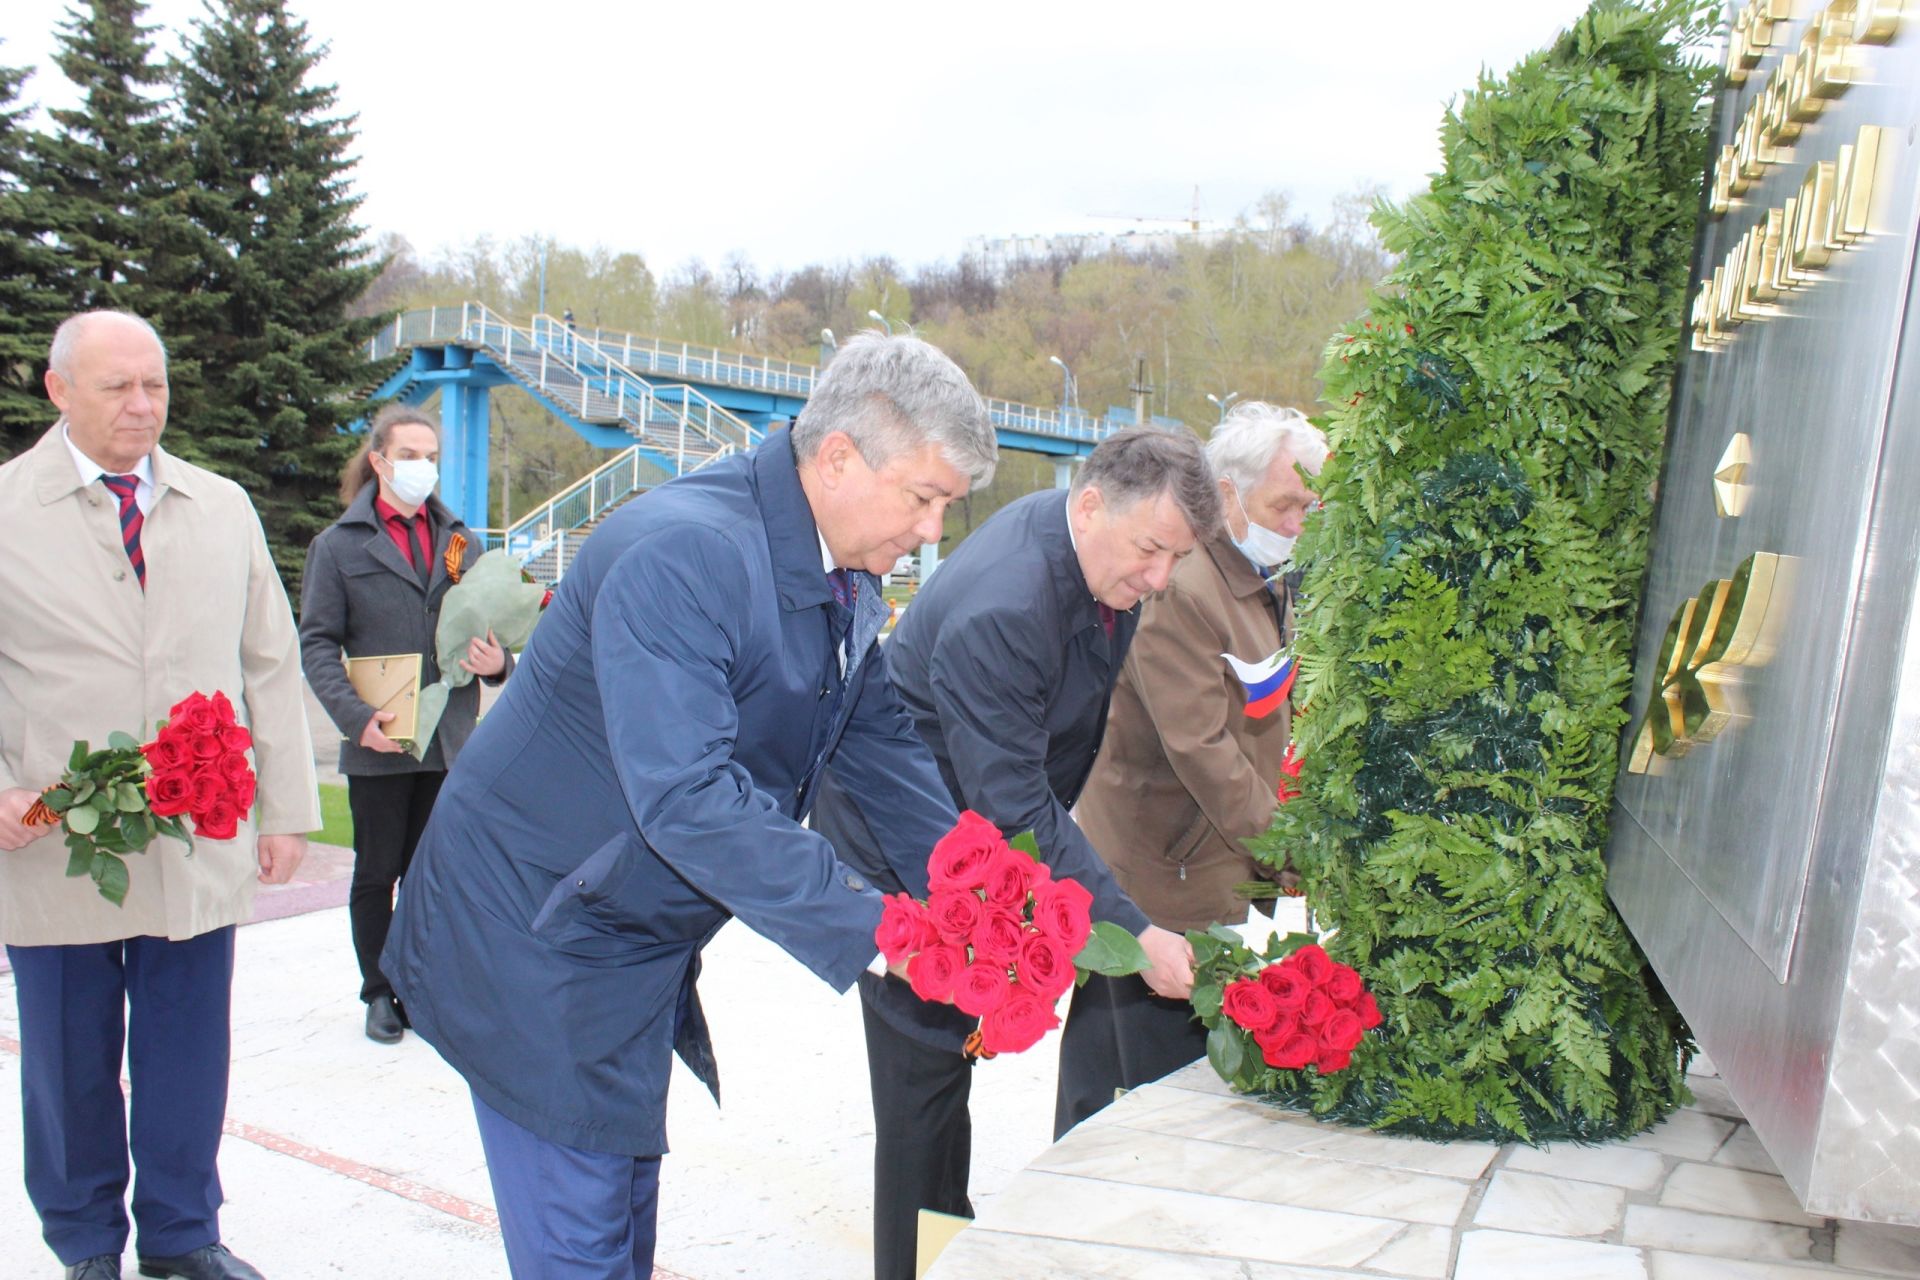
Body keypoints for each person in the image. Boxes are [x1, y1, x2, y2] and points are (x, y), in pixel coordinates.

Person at [379, 331, 997, 1279]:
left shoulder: (838, 571)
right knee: (583, 1243)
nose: (932, 534)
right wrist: (886, 933)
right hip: (532, 936)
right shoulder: (685, 554)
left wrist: (987, 896)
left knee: (622, 1216)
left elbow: (878, 748)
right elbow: (689, 796)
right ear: (837, 459)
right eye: (925, 499)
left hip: (624, 934)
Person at [810, 426, 1223, 1280]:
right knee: (924, 1097)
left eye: (1175, 560)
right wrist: (1130, 933)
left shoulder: (1099, 557)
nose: (1158, 580)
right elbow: (1014, 799)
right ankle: (918, 1267)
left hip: (979, 837)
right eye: (1151, 550)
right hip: (906, 856)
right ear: (1091, 503)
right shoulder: (1008, 604)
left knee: (946, 1083)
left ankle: (948, 1248)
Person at [0, 311, 319, 1280]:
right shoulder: (6, 507)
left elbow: (268, 658)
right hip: (57, 837)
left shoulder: (221, 506)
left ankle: (183, 1235)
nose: (143, 406)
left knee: (188, 1052)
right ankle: (87, 1241)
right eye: (117, 387)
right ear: (59, 391)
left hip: (197, 828)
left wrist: (287, 807)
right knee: (68, 1060)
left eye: (156, 385)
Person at [1057, 403, 1328, 1135]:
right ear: (1229, 494)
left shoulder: (1270, 578)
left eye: (1311, 503)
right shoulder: (1180, 586)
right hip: (1163, 876)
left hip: (1221, 863)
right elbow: (1204, 750)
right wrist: (1294, 850)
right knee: (1137, 1097)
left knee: (1129, 1083)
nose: (1301, 521)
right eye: (1285, 504)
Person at [297, 404, 512, 1045]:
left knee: (434, 873)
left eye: (431, 456)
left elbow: (490, 629)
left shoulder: (460, 543)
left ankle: (423, 985)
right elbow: (316, 645)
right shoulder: (337, 547)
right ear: (379, 461)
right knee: (378, 871)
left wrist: (498, 663)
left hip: (448, 738)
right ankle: (379, 991)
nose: (423, 466)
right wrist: (355, 717)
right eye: (410, 455)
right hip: (381, 738)